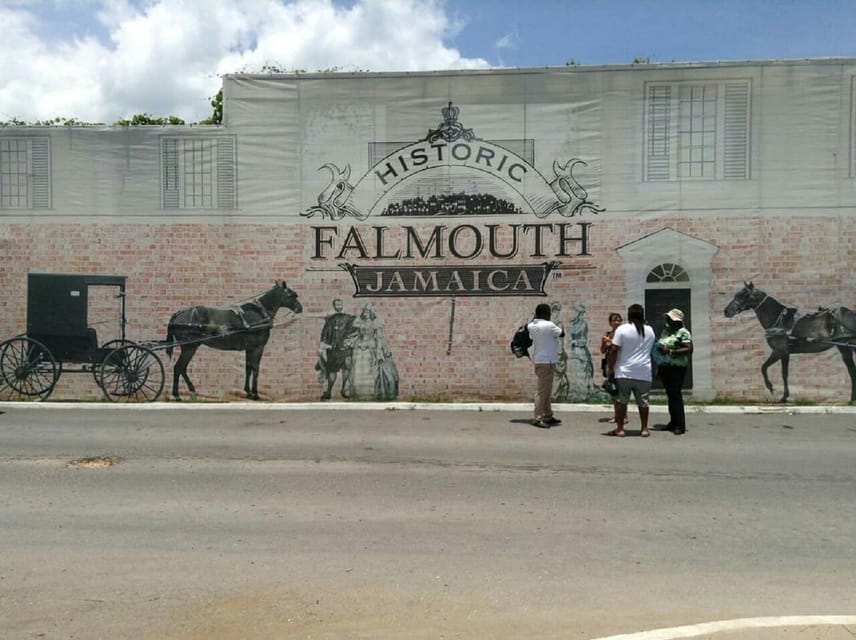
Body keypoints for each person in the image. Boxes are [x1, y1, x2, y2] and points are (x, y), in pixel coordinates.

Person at [606, 303, 655, 438]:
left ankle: (620, 429)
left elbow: (614, 350)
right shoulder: (649, 330)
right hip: (644, 371)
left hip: (624, 371)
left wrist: (610, 367)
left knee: (622, 401)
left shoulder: (622, 330)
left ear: (629, 315)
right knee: (643, 402)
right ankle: (644, 429)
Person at [653, 308, 694, 435]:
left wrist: (671, 351)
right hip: (666, 366)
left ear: (677, 321)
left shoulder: (683, 333)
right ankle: (673, 421)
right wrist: (658, 367)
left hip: (677, 367)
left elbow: (689, 349)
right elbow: (661, 347)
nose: (668, 321)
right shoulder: (666, 332)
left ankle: (680, 425)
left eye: (670, 319)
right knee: (670, 395)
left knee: (676, 395)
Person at [527, 302, 565, 428]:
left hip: (539, 361)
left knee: (546, 390)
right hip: (547, 361)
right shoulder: (550, 325)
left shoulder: (531, 326)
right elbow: (562, 333)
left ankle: (548, 415)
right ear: (546, 314)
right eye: (549, 313)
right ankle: (538, 418)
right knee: (542, 391)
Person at [315, 298, 356, 400]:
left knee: (346, 369)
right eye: (337, 304)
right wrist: (322, 347)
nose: (339, 306)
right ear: (334, 306)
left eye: (340, 304)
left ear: (343, 305)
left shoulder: (349, 318)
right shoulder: (330, 320)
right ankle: (329, 391)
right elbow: (324, 334)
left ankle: (344, 390)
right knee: (332, 371)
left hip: (345, 348)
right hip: (333, 349)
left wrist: (350, 341)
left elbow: (355, 330)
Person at [600, 312, 624, 424]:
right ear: (610, 322)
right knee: (613, 391)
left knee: (622, 393)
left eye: (619, 320)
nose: (617, 322)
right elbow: (602, 350)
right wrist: (604, 342)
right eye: (614, 320)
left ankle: (623, 416)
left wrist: (612, 343)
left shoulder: (623, 334)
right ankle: (617, 415)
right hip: (610, 364)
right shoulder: (608, 334)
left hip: (621, 365)